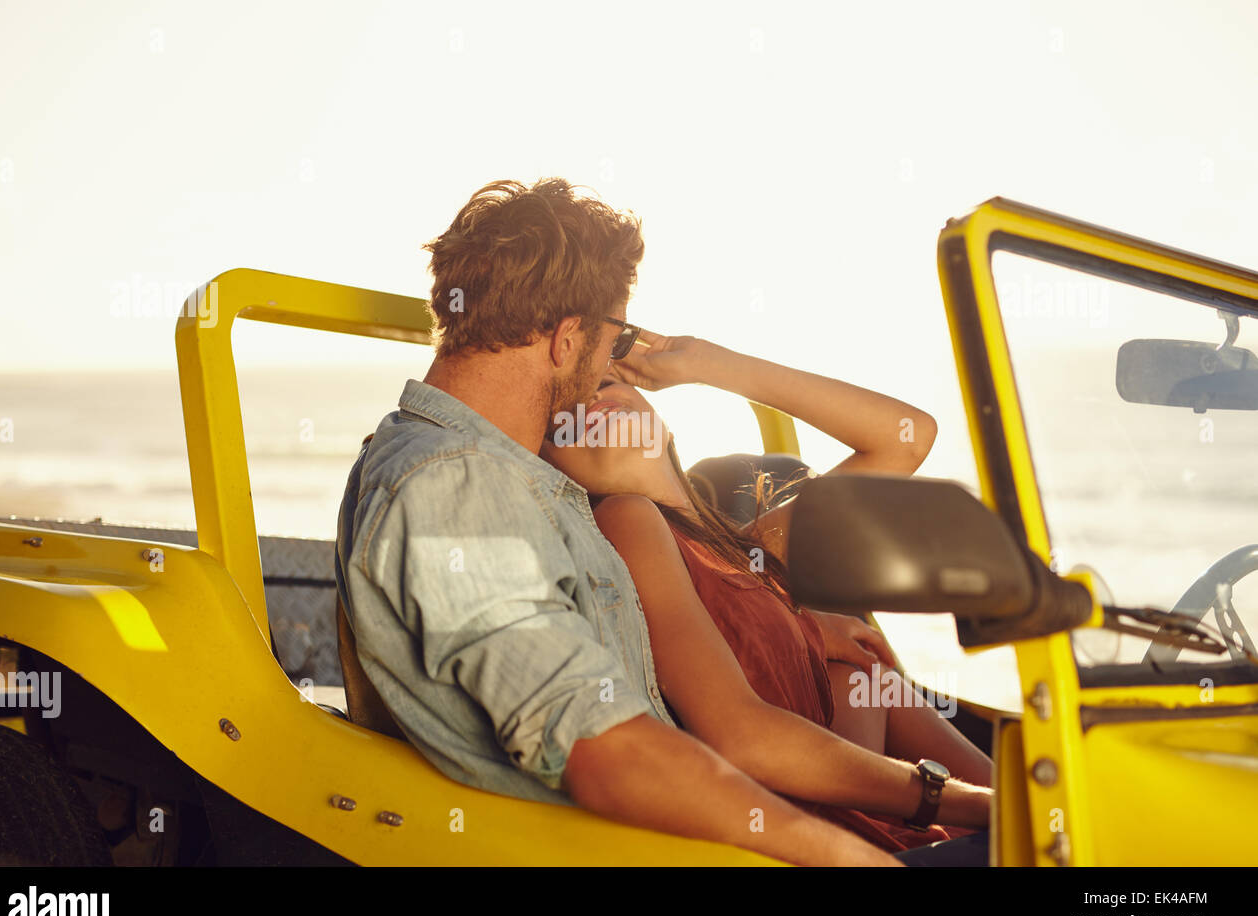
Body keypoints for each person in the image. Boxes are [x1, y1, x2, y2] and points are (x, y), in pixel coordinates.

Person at [335, 177, 902, 866]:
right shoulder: (453, 482)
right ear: (568, 337)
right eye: (615, 342)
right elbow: (598, 744)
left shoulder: (506, 479)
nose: (618, 364)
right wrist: (855, 856)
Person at [539, 330, 995, 860]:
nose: (589, 403)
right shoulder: (626, 519)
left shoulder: (754, 550)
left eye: (606, 382)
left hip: (885, 834)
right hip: (825, 845)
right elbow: (741, 736)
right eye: (562, 417)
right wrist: (952, 801)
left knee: (861, 674)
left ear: (661, 422)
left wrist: (709, 364)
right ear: (553, 470)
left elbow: (907, 436)